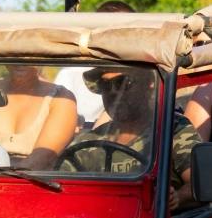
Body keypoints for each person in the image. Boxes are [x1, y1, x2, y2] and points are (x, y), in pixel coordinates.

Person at [61, 67, 200, 198]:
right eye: (105, 85)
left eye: (123, 82)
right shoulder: (89, 141)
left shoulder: (172, 128)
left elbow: (200, 184)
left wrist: (176, 198)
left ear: (148, 85)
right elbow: (59, 186)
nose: (114, 92)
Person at [0, 63, 78, 168]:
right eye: (15, 52)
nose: (22, 60)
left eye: (30, 53)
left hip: (36, 184)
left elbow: (42, 159)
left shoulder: (61, 98)